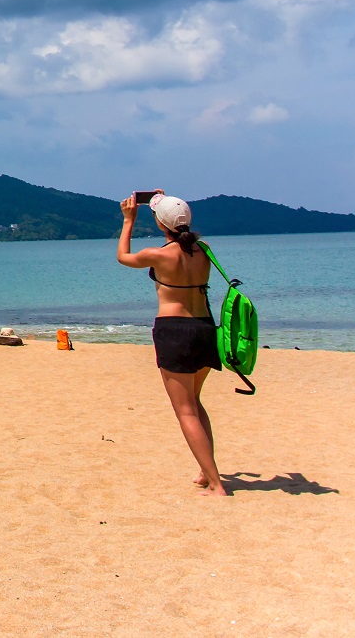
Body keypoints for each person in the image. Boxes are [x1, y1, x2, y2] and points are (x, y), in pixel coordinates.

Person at [117, 192, 228, 496]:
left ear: (159, 223)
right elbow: (181, 232)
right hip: (205, 328)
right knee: (195, 403)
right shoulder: (204, 251)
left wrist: (128, 221)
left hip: (174, 330)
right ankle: (207, 473)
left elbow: (123, 257)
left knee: (185, 411)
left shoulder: (160, 254)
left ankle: (217, 484)